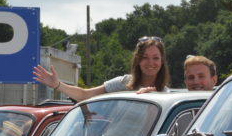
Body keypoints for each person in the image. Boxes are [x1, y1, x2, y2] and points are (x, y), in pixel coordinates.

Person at [33, 36, 171, 101]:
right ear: (137, 60)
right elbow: (85, 95)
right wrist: (57, 85)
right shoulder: (123, 83)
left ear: (162, 61)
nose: (150, 62)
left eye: (155, 58)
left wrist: (154, 97)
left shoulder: (167, 95)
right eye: (145, 57)